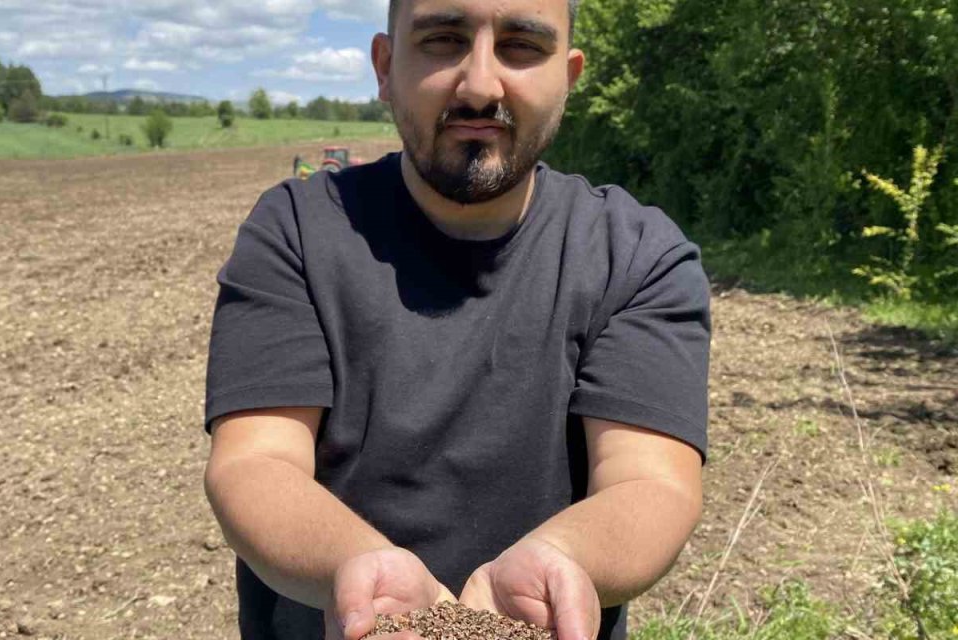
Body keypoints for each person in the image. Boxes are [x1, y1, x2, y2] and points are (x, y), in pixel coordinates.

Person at [202, 1, 710, 639]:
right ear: (386, 66)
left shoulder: (633, 253)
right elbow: (254, 463)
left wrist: (565, 561)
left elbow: (651, 480)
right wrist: (357, 571)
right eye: (443, 40)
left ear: (570, 78)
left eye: (522, 46)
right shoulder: (298, 232)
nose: (479, 85)